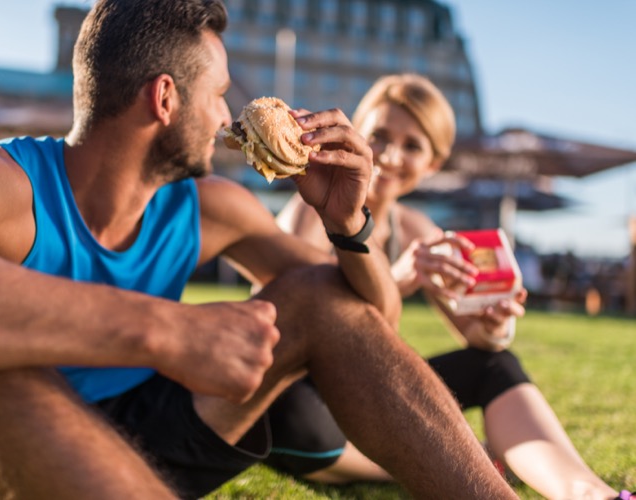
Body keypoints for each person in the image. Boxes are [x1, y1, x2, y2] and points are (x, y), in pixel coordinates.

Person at [0, 2, 520, 499]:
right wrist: (163, 330)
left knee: (319, 294)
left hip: (145, 436)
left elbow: (367, 316)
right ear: (165, 98)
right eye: (219, 94)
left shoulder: (208, 207)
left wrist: (347, 222)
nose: (226, 118)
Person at [270, 73, 630, 500]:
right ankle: (463, 460)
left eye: (413, 146)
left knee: (495, 364)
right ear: (356, 133)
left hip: (363, 398)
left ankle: (591, 494)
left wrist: (495, 323)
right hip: (302, 398)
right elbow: (287, 323)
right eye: (379, 135)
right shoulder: (311, 208)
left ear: (433, 165)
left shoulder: (418, 230)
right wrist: (397, 279)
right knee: (300, 418)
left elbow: (478, 339)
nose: (389, 154)